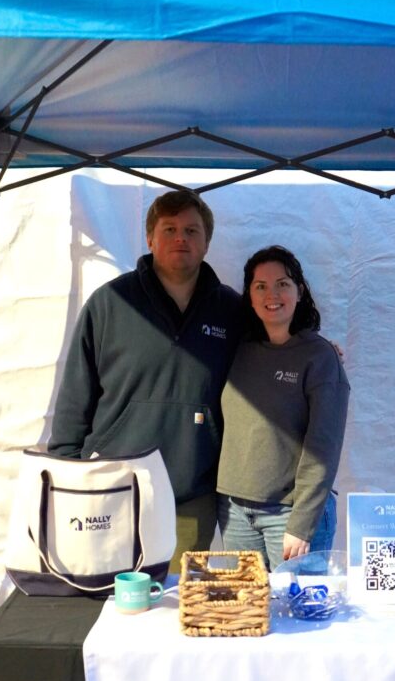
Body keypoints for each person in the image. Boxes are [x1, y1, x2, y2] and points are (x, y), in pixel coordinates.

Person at [48, 190, 241, 571]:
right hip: (113, 487)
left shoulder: (232, 310)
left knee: (177, 607)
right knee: (114, 602)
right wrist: (65, 471)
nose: (180, 238)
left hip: (192, 492)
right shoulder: (111, 304)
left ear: (207, 242)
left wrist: (314, 348)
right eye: (169, 229)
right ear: (150, 238)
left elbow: (270, 357)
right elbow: (76, 393)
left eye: (191, 230)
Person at [216, 246, 350, 571]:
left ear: (299, 292)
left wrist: (301, 523)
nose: (271, 294)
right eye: (260, 285)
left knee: (299, 617)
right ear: (248, 295)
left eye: (283, 284)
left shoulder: (319, 358)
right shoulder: (235, 349)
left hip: (291, 515)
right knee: (249, 616)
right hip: (235, 513)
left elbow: (324, 447)